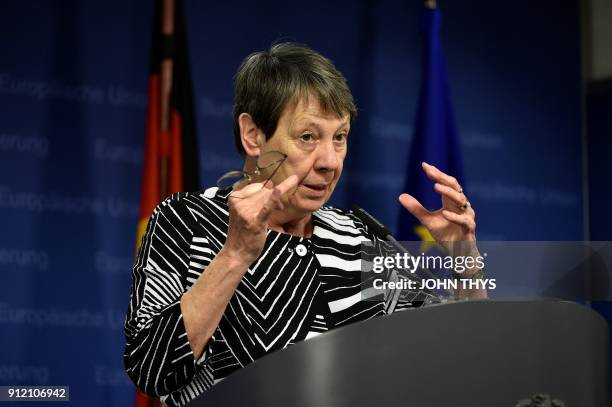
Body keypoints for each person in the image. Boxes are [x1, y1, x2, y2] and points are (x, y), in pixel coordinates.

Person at [124, 42, 485, 407]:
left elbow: (457, 354)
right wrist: (235, 255)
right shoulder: (186, 220)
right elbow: (151, 369)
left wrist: (464, 257)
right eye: (308, 137)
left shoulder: (359, 234)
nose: (329, 161)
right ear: (253, 135)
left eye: (339, 137)